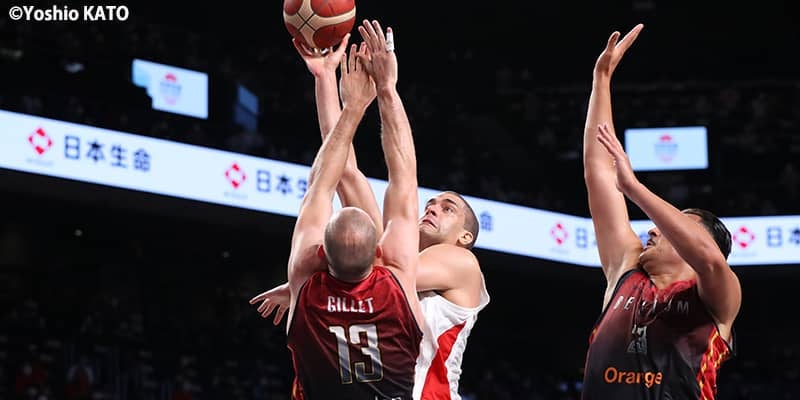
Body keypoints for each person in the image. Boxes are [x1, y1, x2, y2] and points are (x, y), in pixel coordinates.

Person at [251, 21, 489, 400]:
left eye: (449, 208)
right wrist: (325, 79)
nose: (433, 208)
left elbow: (355, 255)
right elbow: (342, 170)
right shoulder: (393, 261)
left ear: (466, 236)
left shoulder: (462, 263)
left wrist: (300, 280)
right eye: (431, 202)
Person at [580, 24, 741, 399]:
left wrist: (635, 188)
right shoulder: (626, 268)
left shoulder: (719, 294)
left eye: (672, 226)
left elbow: (709, 258)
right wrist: (601, 80)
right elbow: (599, 172)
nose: (653, 229)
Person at [283, 20, 425, 399]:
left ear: (320, 253)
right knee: (346, 175)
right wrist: (386, 89)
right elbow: (403, 181)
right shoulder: (398, 275)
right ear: (379, 251)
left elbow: (324, 181)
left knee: (340, 176)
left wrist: (351, 101)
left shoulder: (306, 280)